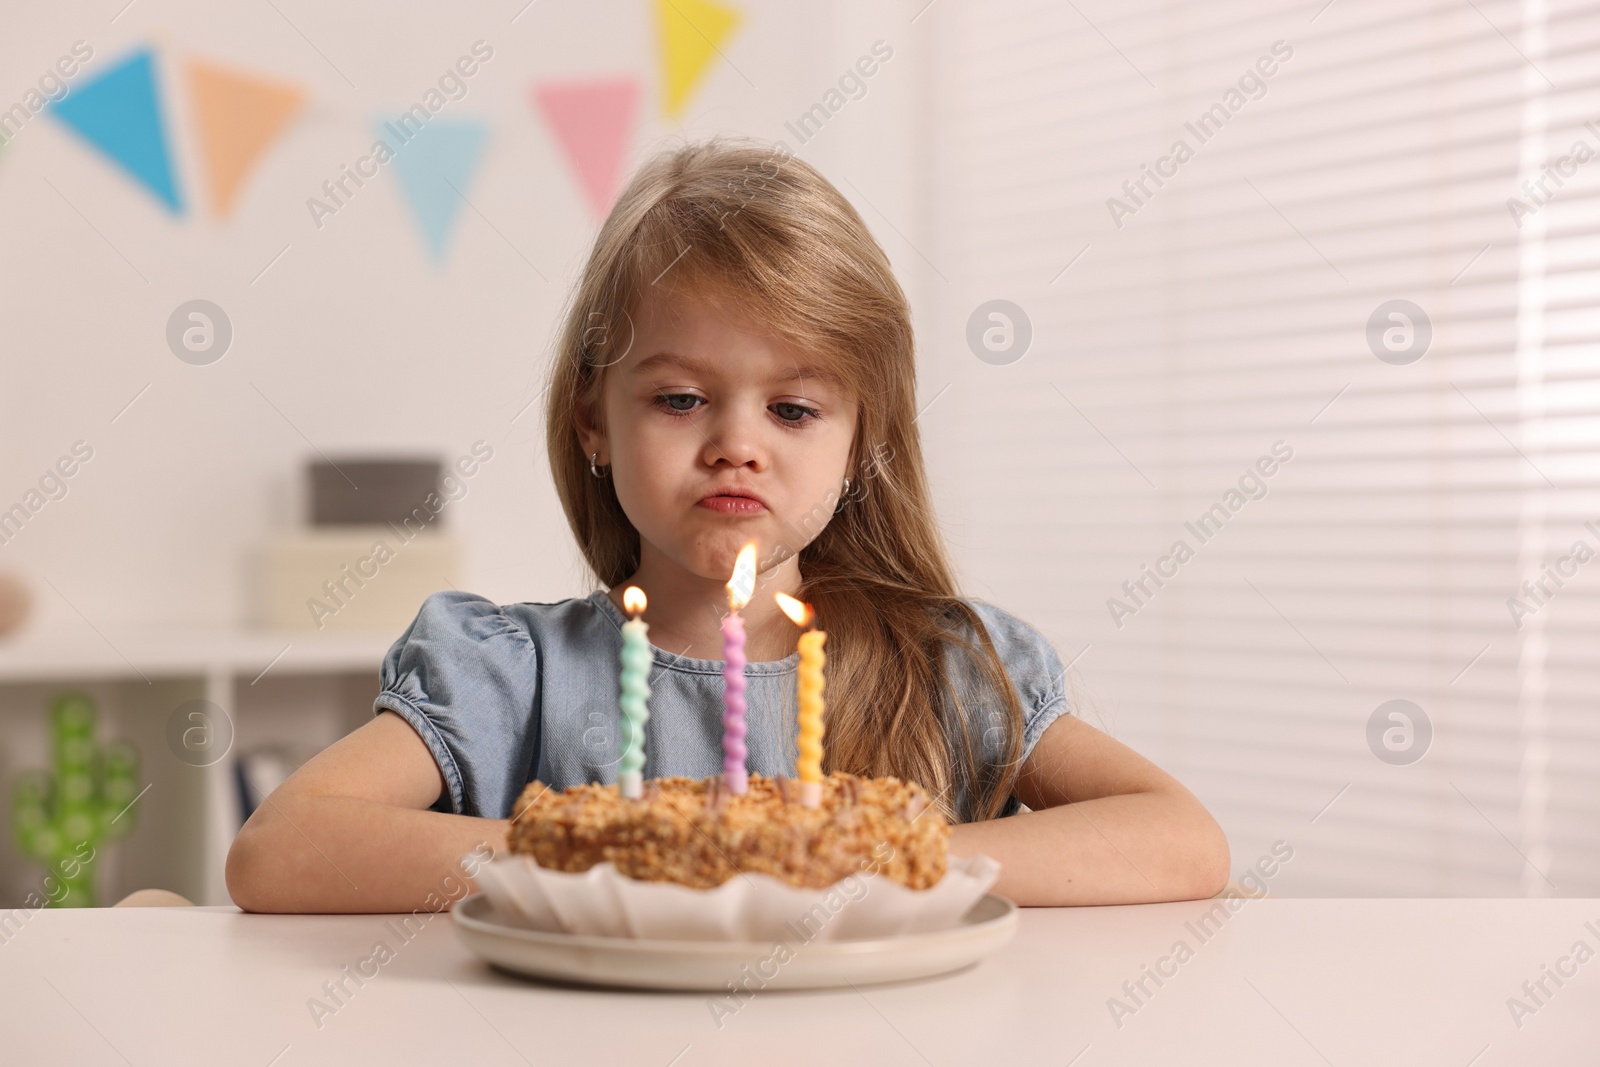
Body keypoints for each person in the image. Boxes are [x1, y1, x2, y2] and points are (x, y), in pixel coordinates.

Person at [226, 136, 1229, 914]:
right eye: (679, 399)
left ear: (859, 440)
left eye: (793, 410)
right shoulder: (511, 673)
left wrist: (864, 857)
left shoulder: (944, 667)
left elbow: (1181, 837)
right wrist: (611, 854)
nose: (737, 445)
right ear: (593, 421)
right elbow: (278, 850)